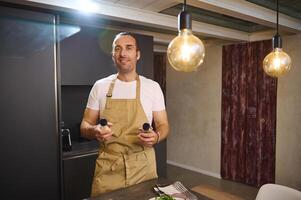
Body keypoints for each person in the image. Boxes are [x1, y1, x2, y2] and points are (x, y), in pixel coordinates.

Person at [80, 32, 169, 197]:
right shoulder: (100, 87)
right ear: (113, 55)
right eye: (117, 48)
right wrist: (94, 131)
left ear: (137, 54)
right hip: (109, 166)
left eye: (129, 48)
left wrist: (156, 136)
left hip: (143, 166)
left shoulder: (153, 87)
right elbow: (84, 125)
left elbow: (163, 125)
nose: (123, 53)